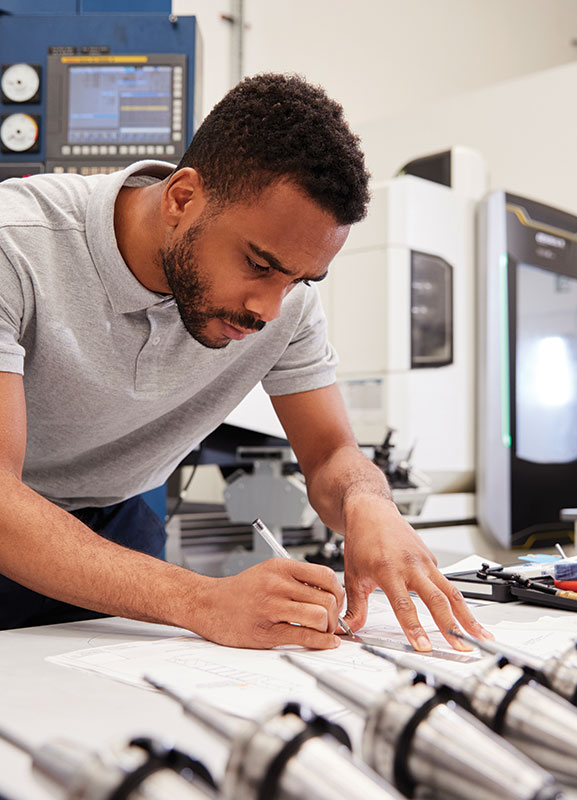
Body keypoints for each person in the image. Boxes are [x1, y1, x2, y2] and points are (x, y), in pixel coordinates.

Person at [0, 73, 490, 650]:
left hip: (119, 522)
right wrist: (201, 600)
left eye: (299, 278)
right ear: (183, 198)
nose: (269, 308)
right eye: (259, 264)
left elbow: (332, 452)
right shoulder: (17, 247)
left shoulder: (288, 304)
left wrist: (368, 503)